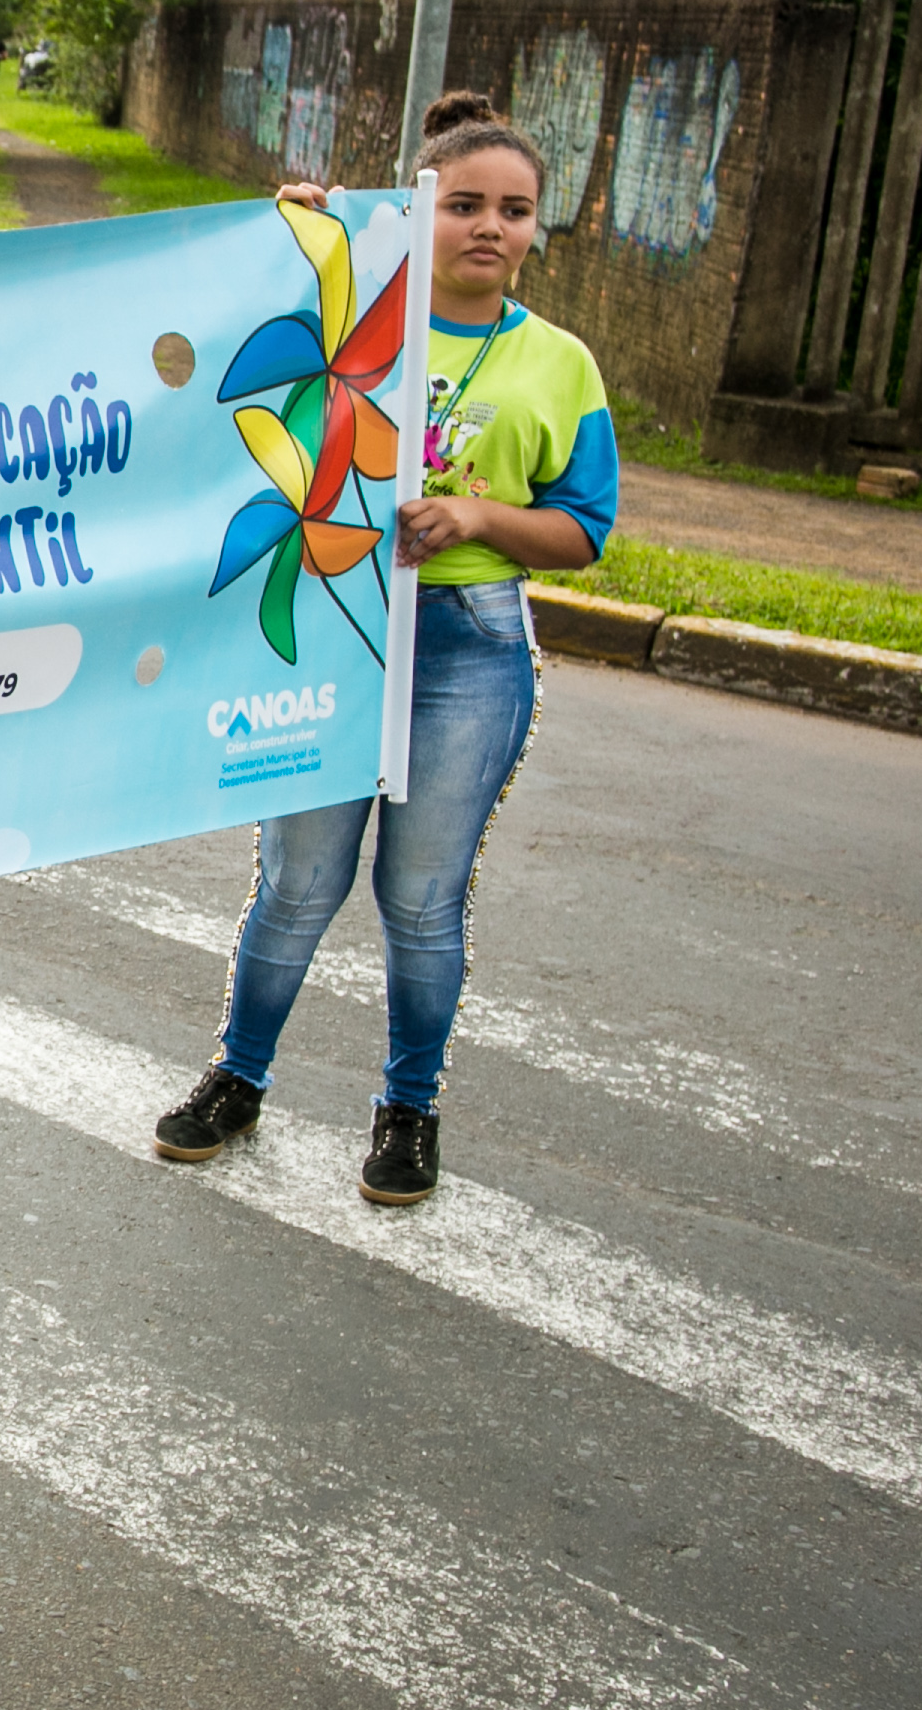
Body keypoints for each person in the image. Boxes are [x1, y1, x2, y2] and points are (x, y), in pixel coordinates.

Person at [150, 89, 619, 1207]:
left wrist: (480, 517)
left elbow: (584, 529)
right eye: (464, 205)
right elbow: (223, 363)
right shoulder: (351, 317)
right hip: (335, 625)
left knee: (421, 899)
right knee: (297, 882)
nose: (490, 227)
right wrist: (294, 241)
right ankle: (237, 1079)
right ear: (421, 212)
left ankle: (408, 1112)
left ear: (536, 227)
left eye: (514, 210)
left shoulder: (561, 364)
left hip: (470, 646)